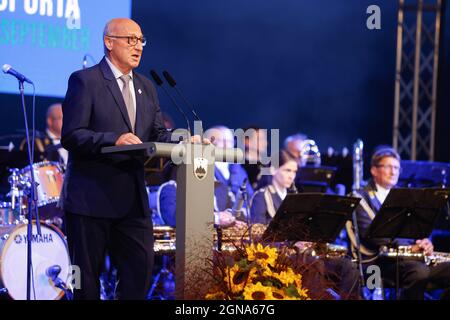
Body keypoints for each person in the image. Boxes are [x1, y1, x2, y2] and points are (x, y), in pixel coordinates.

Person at [60, 18, 178, 300]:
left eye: (141, 40)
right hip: (91, 200)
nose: (138, 46)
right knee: (86, 283)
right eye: (130, 40)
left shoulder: (146, 86)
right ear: (109, 42)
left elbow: (157, 134)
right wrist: (114, 138)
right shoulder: (85, 81)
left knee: (139, 273)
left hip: (133, 202)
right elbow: (72, 135)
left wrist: (184, 140)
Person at [250, 151, 361, 299]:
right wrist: (291, 244)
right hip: (280, 256)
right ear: (273, 170)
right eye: (287, 170)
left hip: (305, 254)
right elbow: (258, 236)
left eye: (294, 171)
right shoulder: (261, 196)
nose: (292, 175)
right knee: (314, 264)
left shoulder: (298, 196)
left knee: (349, 266)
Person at [353, 146, 450, 299]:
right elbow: (372, 234)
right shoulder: (360, 196)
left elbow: (421, 226)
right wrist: (410, 247)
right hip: (379, 262)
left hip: (411, 258)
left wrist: (425, 242)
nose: (393, 172)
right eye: (388, 167)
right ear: (374, 170)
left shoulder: (406, 195)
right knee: (419, 272)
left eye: (397, 167)